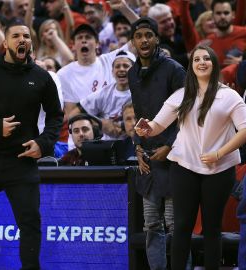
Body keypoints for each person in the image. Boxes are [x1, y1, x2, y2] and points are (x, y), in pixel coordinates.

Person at [0, 22, 63, 269]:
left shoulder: (42, 77)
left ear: (31, 43)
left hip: (23, 158)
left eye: (27, 36)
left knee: (30, 222)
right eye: (16, 36)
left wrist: (43, 143)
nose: (22, 40)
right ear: (5, 43)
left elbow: (55, 116)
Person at [135, 45, 246, 270]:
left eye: (206, 58)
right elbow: (157, 126)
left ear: (214, 64)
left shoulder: (229, 95)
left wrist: (219, 153)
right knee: (182, 226)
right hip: (184, 166)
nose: (201, 62)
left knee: (212, 228)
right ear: (191, 66)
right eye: (197, 59)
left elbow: (244, 130)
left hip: (219, 168)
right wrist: (145, 129)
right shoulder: (181, 94)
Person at [128, 17, 186, 270]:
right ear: (133, 42)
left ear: (157, 39)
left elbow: (188, 114)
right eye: (139, 36)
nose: (144, 40)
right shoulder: (132, 73)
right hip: (149, 158)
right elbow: (140, 115)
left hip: (175, 156)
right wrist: (138, 146)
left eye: (148, 35)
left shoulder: (174, 70)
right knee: (151, 224)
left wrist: (171, 146)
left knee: (176, 225)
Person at [72, 50, 135, 140]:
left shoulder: (143, 92)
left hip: (138, 144)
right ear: (112, 72)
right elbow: (74, 114)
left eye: (125, 66)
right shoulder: (104, 93)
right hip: (109, 146)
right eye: (117, 66)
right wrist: (100, 124)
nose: (121, 69)